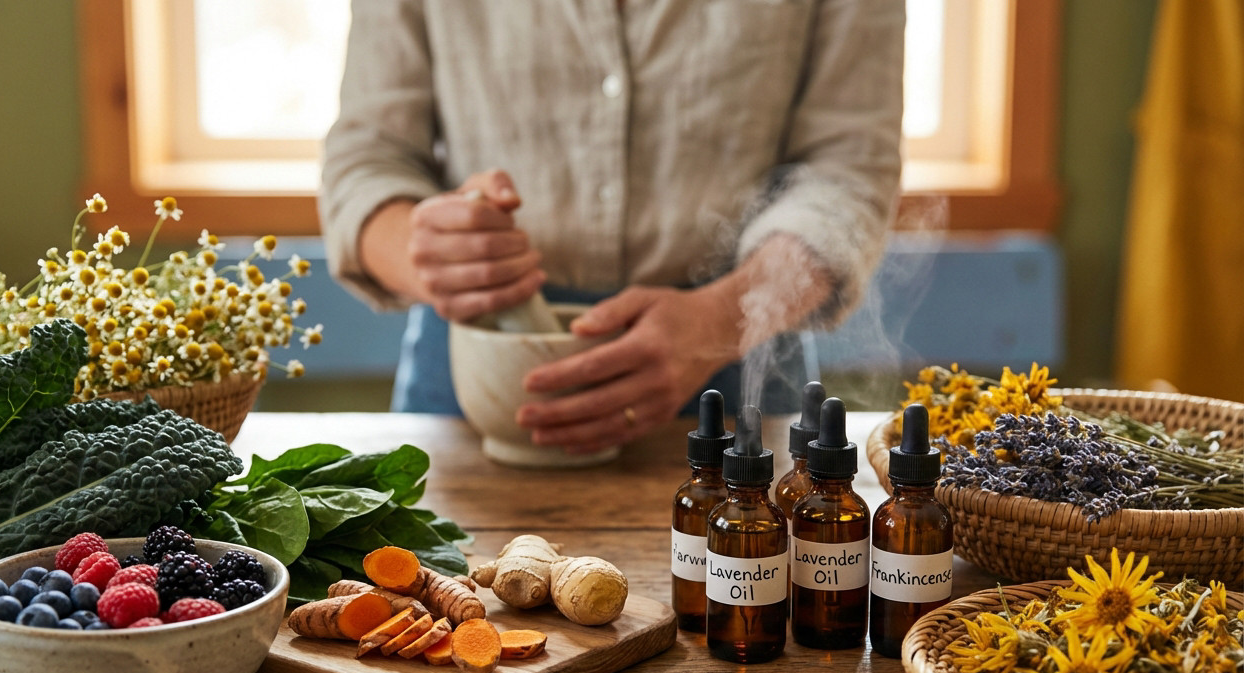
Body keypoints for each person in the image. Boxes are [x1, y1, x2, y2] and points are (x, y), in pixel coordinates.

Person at [320, 0, 904, 456]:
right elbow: (368, 158)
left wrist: (719, 320)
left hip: (735, 354)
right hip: (471, 368)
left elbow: (848, 168)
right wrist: (420, 248)